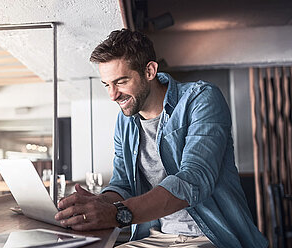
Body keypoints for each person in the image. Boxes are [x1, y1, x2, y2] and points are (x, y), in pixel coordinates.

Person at [54, 29, 268, 248]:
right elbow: (123, 183)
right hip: (154, 236)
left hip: (210, 238)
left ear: (149, 71)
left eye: (121, 81)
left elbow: (194, 178)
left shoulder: (201, 98)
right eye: (107, 84)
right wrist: (98, 203)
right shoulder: (125, 121)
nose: (113, 95)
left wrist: (116, 213)